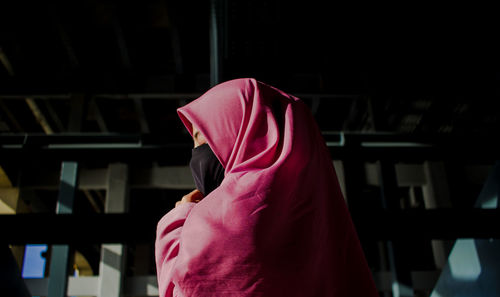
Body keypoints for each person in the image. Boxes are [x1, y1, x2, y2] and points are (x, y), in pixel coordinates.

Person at [155, 78, 378, 296]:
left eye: (201, 138)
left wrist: (176, 224)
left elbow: (186, 287)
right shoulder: (324, 217)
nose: (195, 154)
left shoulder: (219, 225)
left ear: (238, 134)